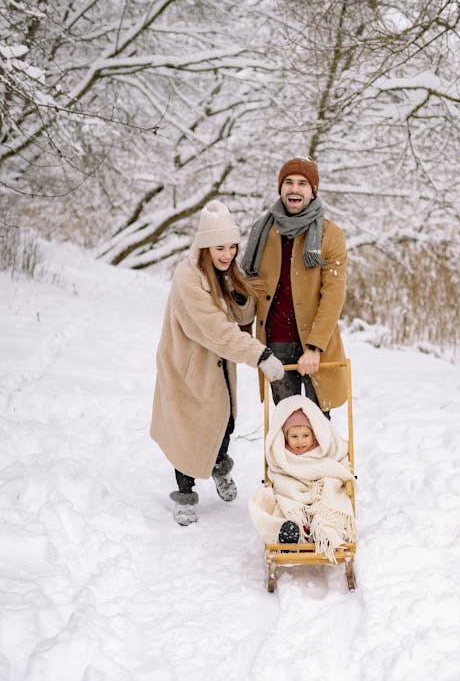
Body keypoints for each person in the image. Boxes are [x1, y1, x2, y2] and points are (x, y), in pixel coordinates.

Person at [150, 200, 284, 525]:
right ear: (205, 245)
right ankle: (185, 495)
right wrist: (260, 355)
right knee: (188, 431)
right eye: (219, 247)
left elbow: (241, 316)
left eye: (232, 247)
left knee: (224, 423)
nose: (227, 254)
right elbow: (215, 330)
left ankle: (218, 464)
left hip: (219, 368)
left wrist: (240, 292)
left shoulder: (224, 270)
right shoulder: (188, 277)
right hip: (188, 368)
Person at [241, 156, 348, 414]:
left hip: (315, 343)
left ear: (313, 191)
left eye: (302, 183)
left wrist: (314, 347)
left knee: (317, 424)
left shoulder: (330, 235)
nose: (294, 188)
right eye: (288, 182)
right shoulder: (262, 232)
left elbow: (333, 296)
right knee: (287, 423)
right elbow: (250, 286)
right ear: (280, 189)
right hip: (275, 343)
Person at [249, 395, 356, 561]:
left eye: (306, 435)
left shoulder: (323, 450)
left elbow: (338, 467)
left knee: (328, 502)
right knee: (276, 504)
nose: (300, 441)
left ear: (315, 434)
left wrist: (332, 479)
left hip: (319, 493)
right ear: (285, 437)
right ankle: (291, 532)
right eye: (294, 436)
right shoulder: (282, 456)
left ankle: (324, 531)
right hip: (292, 494)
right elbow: (277, 476)